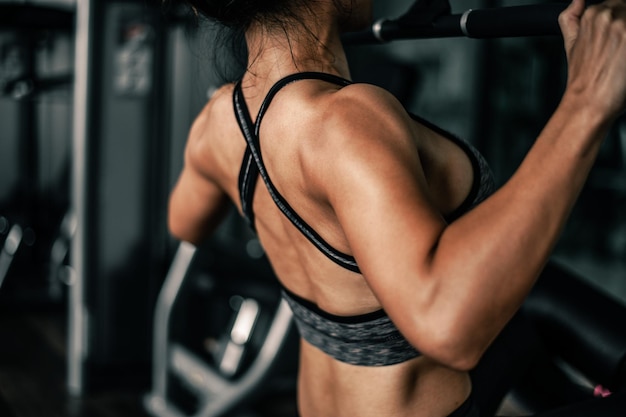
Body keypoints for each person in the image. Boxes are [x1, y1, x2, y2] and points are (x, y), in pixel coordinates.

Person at [167, 0, 626, 415]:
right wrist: (587, 101)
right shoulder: (345, 121)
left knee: (533, 296)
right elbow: (448, 328)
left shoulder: (218, 122)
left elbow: (185, 223)